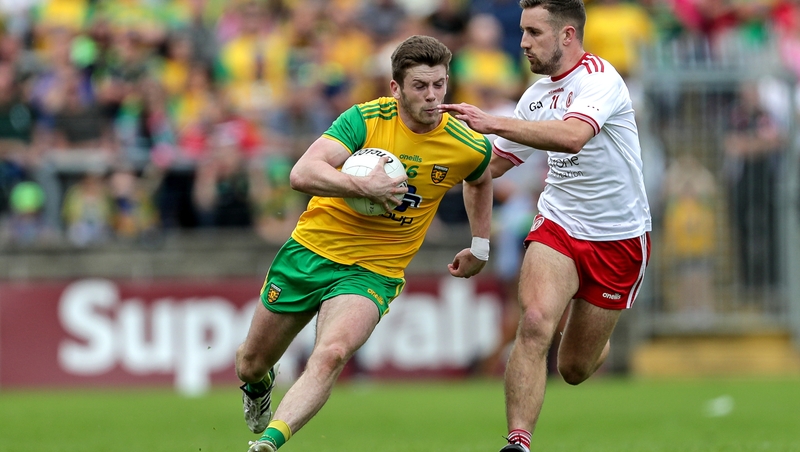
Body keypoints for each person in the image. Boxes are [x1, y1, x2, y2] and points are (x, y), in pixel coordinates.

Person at [236, 35, 493, 452]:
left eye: (439, 85)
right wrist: (362, 185)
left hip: (375, 269)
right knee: (250, 362)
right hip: (311, 251)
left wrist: (480, 244)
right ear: (395, 88)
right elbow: (302, 173)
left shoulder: (465, 143)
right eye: (420, 86)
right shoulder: (365, 119)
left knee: (332, 352)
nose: (432, 96)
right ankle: (259, 384)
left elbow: (480, 178)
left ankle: (268, 443)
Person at [438, 1, 652, 451]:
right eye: (522, 31)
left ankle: (592, 338)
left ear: (567, 35)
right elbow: (488, 166)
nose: (522, 42)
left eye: (534, 32)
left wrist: (493, 121)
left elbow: (573, 136)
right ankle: (518, 443)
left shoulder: (601, 79)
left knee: (574, 368)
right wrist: (432, 171)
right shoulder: (536, 97)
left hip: (618, 237)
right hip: (559, 223)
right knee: (534, 323)